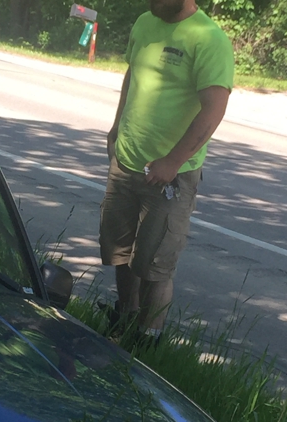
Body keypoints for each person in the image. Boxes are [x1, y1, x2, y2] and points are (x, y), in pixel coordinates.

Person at [99, 0, 234, 344]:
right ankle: (124, 323)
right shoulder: (145, 22)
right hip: (127, 161)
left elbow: (214, 108)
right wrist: (116, 128)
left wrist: (173, 161)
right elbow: (133, 75)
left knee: (155, 266)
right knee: (121, 252)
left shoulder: (208, 38)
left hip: (171, 175)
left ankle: (147, 342)